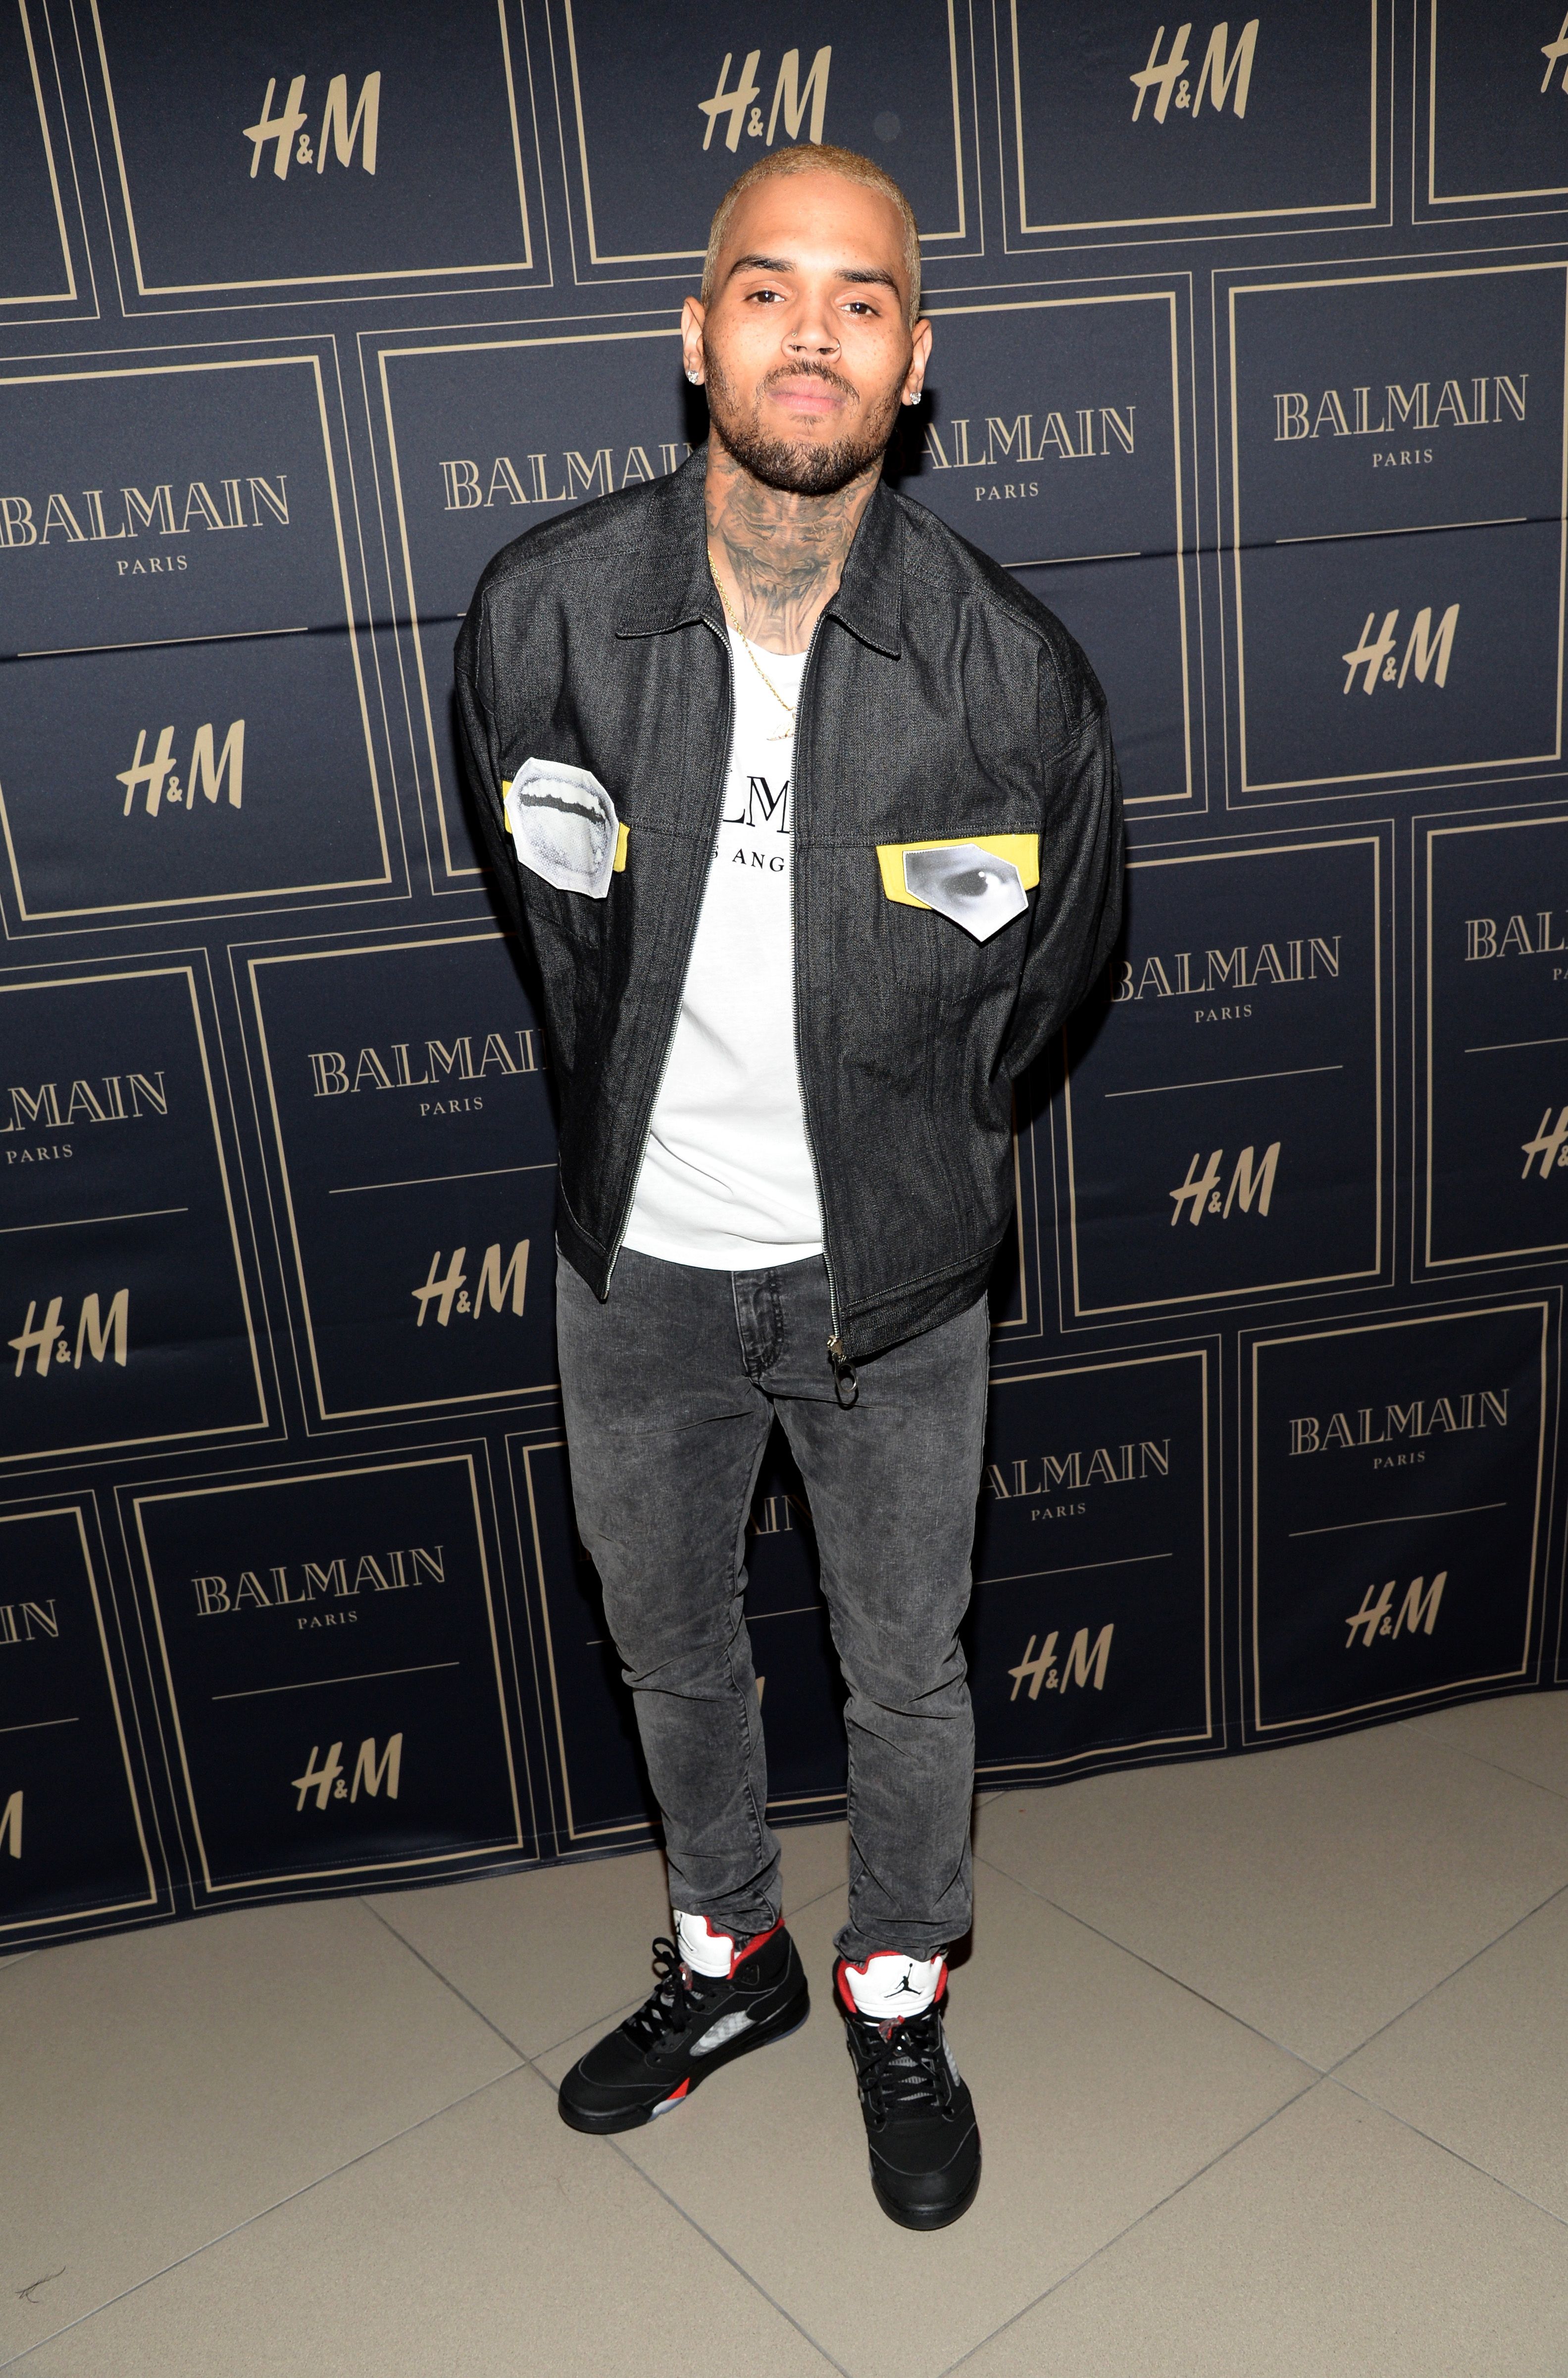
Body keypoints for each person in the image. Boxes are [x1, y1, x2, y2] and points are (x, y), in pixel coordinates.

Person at [455, 143, 1123, 2231]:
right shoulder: (545, 616)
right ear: (697, 336)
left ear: (917, 362)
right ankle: (728, 1951)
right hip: (634, 1266)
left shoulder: (1009, 674)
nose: (811, 333)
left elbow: (1058, 970)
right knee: (668, 1646)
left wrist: (913, 1151)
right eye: (767, 289)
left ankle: (895, 1990)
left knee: (907, 1669)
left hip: (896, 1280)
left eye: (861, 298)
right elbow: (547, 911)